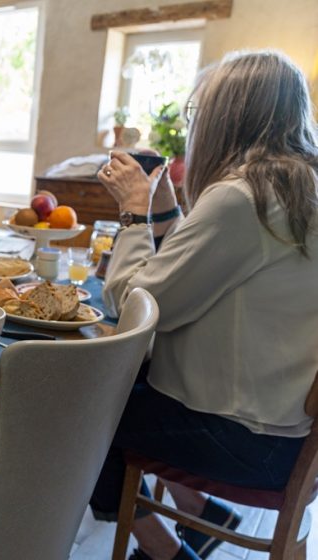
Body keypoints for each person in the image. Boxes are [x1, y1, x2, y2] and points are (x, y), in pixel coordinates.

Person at [92, 50, 318, 560]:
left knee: (78, 412)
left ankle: (165, 552)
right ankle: (205, 518)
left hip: (247, 441)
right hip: (290, 431)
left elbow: (134, 308)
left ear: (226, 116)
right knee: (129, 389)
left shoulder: (246, 198)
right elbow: (205, 271)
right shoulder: (300, 187)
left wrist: (132, 214)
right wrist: (169, 210)